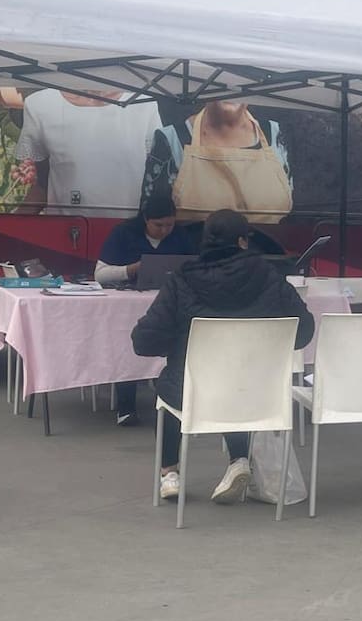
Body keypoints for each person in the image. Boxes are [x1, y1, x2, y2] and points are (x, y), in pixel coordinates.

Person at [131, 209, 314, 503]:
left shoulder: (182, 280)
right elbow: (304, 331)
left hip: (193, 391)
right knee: (235, 380)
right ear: (243, 241)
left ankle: (170, 474)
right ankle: (239, 460)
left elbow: (144, 340)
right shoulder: (270, 276)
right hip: (257, 391)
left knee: (167, 387)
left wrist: (176, 344)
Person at [95, 192, 194, 425]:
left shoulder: (181, 236)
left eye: (169, 225)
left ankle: (174, 403)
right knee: (126, 348)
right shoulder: (123, 233)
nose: (164, 231)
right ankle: (126, 407)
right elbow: (99, 274)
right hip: (127, 304)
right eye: (158, 225)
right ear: (145, 220)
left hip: (170, 304)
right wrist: (131, 270)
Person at [142, 100, 292, 224]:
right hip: (192, 256)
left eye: (238, 78)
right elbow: (150, 220)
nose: (231, 88)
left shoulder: (275, 134)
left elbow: (292, 220)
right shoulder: (172, 139)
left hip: (267, 256)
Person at [14, 88, 159, 216]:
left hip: (129, 234)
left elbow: (157, 176)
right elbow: (42, 183)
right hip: (69, 233)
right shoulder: (41, 104)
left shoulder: (144, 103)